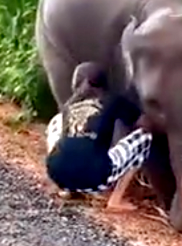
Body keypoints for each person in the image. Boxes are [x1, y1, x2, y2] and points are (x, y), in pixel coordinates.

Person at [45, 62, 152, 211]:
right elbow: (143, 123)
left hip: (57, 174)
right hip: (96, 180)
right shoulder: (113, 99)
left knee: (57, 121)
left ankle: (68, 190)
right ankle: (116, 200)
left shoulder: (69, 105)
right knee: (145, 138)